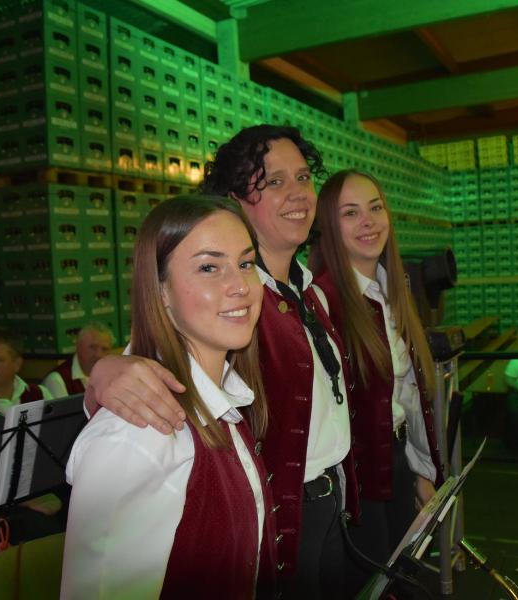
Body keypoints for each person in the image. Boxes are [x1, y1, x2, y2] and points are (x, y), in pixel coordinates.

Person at [85, 125, 357, 597]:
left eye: (303, 177)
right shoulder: (227, 309)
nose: (298, 193)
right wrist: (104, 372)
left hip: (328, 501)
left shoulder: (309, 290)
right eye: (274, 182)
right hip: (281, 518)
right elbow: (145, 372)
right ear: (234, 201)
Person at [61, 196, 277, 598]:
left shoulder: (225, 402)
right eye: (209, 267)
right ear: (161, 290)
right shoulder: (139, 433)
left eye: (246, 263)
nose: (241, 286)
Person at [309, 169, 444, 587]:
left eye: (375, 208)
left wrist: (420, 470)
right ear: (328, 227)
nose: (368, 222)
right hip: (360, 485)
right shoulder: (322, 301)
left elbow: (405, 398)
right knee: (375, 585)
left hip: (397, 464)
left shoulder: (389, 292)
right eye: (350, 213)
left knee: (402, 580)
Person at [41, 322, 114, 398]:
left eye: (105, 349)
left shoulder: (112, 375)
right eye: (92, 347)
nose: (98, 354)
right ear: (77, 347)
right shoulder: (57, 381)